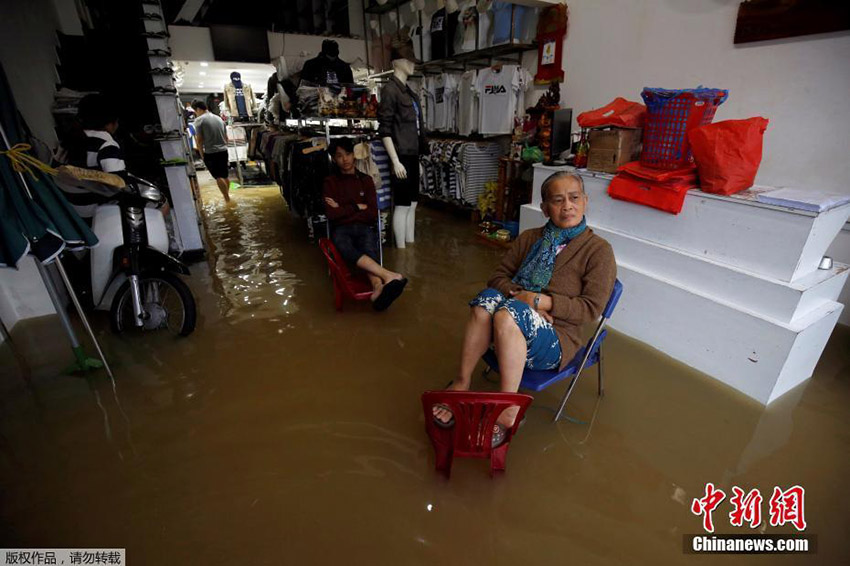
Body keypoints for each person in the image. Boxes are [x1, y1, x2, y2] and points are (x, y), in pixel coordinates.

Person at [433, 172, 617, 446]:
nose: (567, 206)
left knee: (509, 314)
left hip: (556, 336)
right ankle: (461, 381)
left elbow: (590, 309)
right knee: (485, 301)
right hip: (509, 319)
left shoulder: (598, 251)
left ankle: (508, 407)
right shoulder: (529, 238)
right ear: (545, 208)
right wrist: (523, 298)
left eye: (574, 198)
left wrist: (542, 302)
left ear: (585, 201)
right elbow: (498, 278)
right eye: (557, 200)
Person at [323, 137, 408, 311]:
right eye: (339, 156)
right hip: (341, 230)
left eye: (347, 154)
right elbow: (332, 215)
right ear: (334, 158)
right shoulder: (330, 183)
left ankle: (378, 288)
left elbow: (371, 214)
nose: (345, 159)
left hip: (362, 227)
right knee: (344, 245)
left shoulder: (366, 180)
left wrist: (343, 209)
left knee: (368, 243)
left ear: (354, 155)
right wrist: (356, 207)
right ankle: (388, 276)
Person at [59, 93, 128, 219]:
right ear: (110, 123)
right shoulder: (108, 145)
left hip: (69, 204)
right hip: (93, 209)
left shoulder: (70, 138)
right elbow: (118, 182)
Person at [191, 99, 232, 203]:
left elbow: (199, 140)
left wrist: (202, 154)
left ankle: (227, 199)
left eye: (195, 111)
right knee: (225, 175)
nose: (196, 114)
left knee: (218, 177)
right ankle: (228, 196)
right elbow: (226, 137)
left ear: (199, 109)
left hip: (211, 152)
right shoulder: (219, 118)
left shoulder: (199, 120)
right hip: (223, 150)